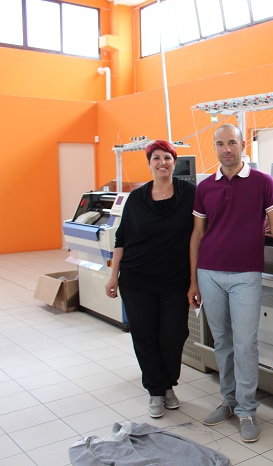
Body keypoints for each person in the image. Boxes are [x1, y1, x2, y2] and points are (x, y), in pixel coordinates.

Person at [188, 124, 273, 443]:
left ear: (243, 145)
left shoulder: (262, 183)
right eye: (219, 144)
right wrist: (193, 281)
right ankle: (228, 401)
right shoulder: (205, 187)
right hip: (209, 273)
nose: (226, 149)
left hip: (245, 276)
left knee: (245, 344)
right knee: (223, 343)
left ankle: (247, 410)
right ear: (214, 148)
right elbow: (197, 234)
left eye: (231, 143)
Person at [105, 140, 196, 419]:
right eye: (156, 158)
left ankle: (167, 382)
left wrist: (194, 280)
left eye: (167, 158)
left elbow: (201, 232)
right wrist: (113, 276)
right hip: (137, 278)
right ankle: (157, 390)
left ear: (174, 162)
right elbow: (122, 238)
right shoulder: (137, 198)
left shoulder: (189, 194)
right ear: (149, 163)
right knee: (145, 336)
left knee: (173, 335)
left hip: (175, 279)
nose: (162, 163)